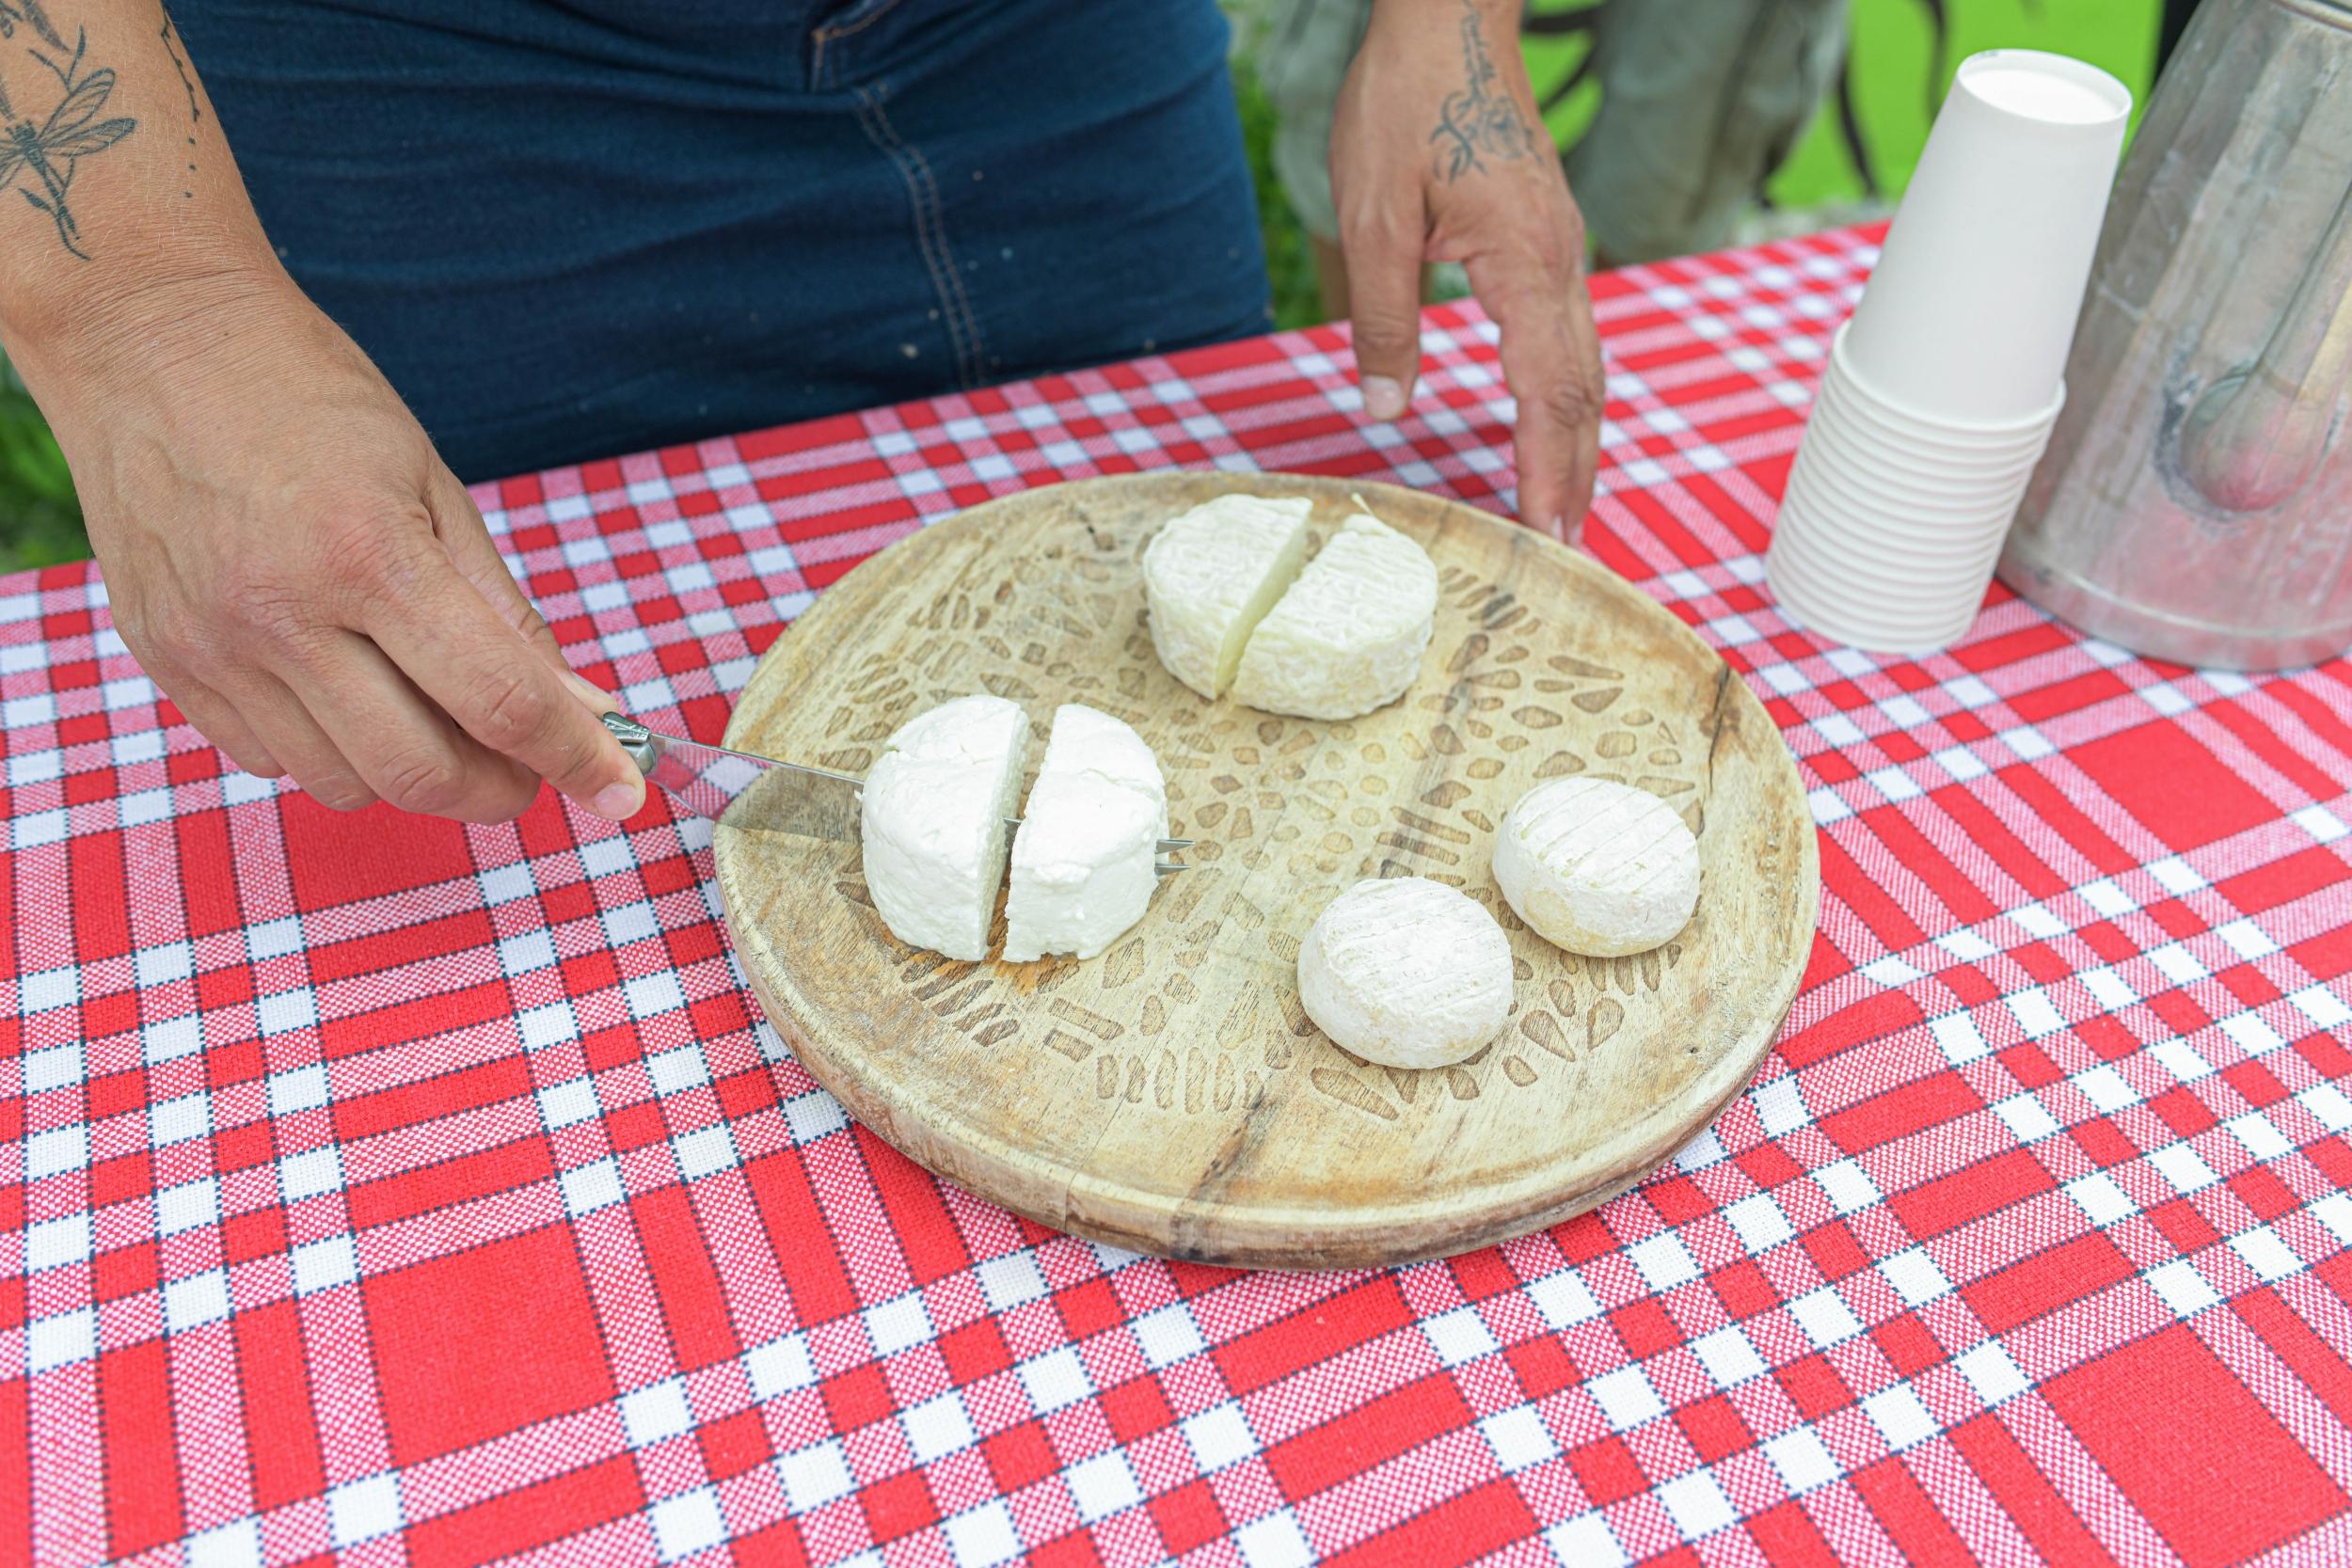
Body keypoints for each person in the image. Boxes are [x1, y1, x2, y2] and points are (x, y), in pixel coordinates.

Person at [0, 0, 1602, 828]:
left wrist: (1450, 24)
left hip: (1059, 47)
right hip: (425, 74)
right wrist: (144, 309)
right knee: (444, 684)